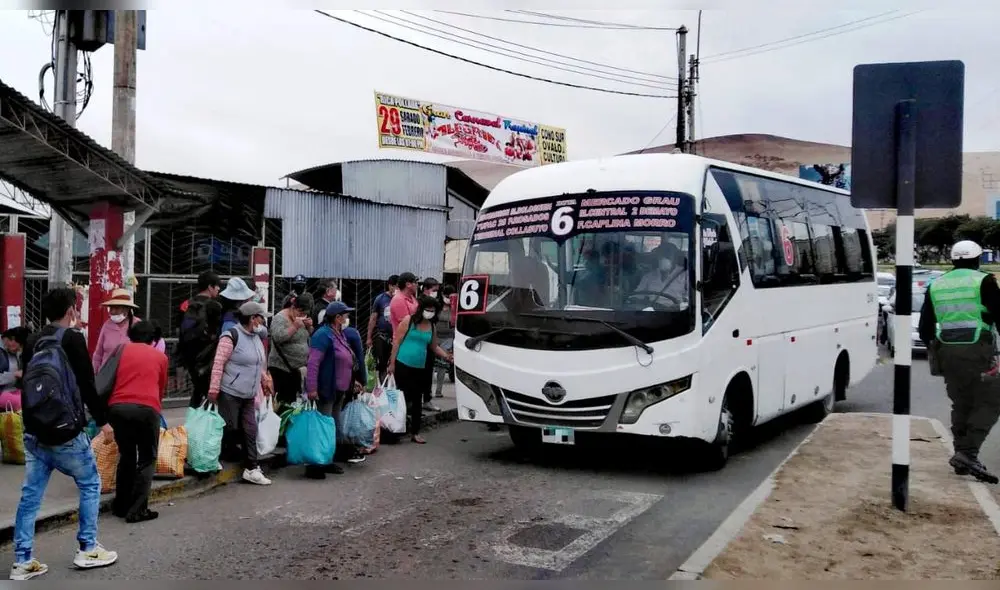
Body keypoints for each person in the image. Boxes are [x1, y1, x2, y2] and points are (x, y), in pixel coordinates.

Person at [10, 287, 118, 580]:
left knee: (30, 496)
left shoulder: (33, 340)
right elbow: (87, 384)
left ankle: (22, 560)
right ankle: (88, 548)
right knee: (90, 483)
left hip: (33, 431)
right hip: (66, 433)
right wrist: (104, 421)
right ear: (72, 310)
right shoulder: (73, 339)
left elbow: (27, 386)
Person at [919, 240, 1000, 484]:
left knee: (961, 403)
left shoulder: (936, 284)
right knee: (991, 400)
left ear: (953, 260)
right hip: (977, 349)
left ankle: (962, 458)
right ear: (977, 259)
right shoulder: (984, 281)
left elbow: (925, 329)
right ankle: (968, 453)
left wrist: (939, 349)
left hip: (948, 352)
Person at [104, 321, 168, 524]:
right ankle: (138, 510)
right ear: (153, 339)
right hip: (147, 409)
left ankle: (121, 506)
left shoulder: (120, 350)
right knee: (147, 458)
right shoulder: (160, 357)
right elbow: (161, 388)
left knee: (127, 455)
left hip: (118, 408)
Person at [207, 301, 274, 486]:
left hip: (249, 394)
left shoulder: (256, 337)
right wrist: (213, 389)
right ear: (253, 319)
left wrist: (264, 381)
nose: (263, 322)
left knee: (250, 430)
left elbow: (257, 363)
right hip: (230, 392)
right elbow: (218, 364)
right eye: (261, 318)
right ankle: (211, 458)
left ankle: (252, 468)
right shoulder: (231, 336)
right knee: (228, 427)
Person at [305, 301, 367, 478]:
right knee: (324, 426)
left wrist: (353, 381)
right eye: (344, 314)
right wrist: (312, 388)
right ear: (337, 317)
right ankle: (318, 464)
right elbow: (313, 363)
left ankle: (328, 459)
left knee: (333, 426)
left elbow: (347, 359)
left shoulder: (339, 334)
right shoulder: (322, 335)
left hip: (340, 389)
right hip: (326, 388)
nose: (347, 317)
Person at [388, 295, 453, 445]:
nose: (429, 312)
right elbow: (397, 342)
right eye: (427, 309)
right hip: (403, 364)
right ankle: (396, 430)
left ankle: (415, 433)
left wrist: (447, 357)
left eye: (432, 310)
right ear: (421, 309)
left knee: (417, 400)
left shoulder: (432, 326)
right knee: (402, 399)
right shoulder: (408, 321)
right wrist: (392, 364)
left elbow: (434, 346)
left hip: (420, 367)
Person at [177, 271, 224, 409]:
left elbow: (178, 330)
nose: (218, 289)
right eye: (217, 286)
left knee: (198, 390)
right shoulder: (215, 306)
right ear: (210, 287)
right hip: (208, 357)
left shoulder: (185, 304)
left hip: (190, 357)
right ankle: (204, 422)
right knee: (209, 392)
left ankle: (194, 418)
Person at [91, 288, 164, 373]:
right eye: (111, 308)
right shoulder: (107, 325)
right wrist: (95, 372)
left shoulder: (138, 325)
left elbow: (147, 351)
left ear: (126, 309)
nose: (112, 311)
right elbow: (98, 354)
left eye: (116, 308)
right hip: (106, 376)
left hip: (130, 374)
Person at [268, 293, 314, 409]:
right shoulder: (280, 318)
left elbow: (306, 337)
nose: (302, 315)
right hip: (282, 368)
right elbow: (278, 337)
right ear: (293, 307)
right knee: (284, 404)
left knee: (294, 404)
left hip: (295, 370)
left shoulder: (300, 319)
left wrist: (309, 327)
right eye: (300, 312)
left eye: (305, 314)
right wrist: (294, 326)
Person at [633, 241, 689, 308]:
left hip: (677, 313)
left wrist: (680, 305)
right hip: (654, 312)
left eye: (667, 256)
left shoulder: (685, 275)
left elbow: (691, 299)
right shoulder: (648, 276)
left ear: (675, 258)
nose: (663, 259)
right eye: (661, 256)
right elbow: (637, 295)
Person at [366, 275, 398, 384]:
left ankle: (395, 387)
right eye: (394, 286)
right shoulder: (380, 299)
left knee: (396, 364)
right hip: (382, 337)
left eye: (398, 287)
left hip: (398, 338)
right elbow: (373, 318)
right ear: (390, 285)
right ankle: (384, 387)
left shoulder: (402, 300)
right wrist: (369, 337)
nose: (396, 289)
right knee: (382, 364)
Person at [418, 278, 443, 413]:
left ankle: (427, 400)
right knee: (418, 374)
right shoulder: (419, 302)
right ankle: (416, 402)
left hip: (429, 340)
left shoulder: (435, 303)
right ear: (426, 289)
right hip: (419, 342)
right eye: (434, 290)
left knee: (428, 373)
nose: (436, 293)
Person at [433, 285, 456, 399]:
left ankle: (438, 390)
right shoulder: (437, 306)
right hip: (435, 336)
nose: (448, 298)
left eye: (450, 296)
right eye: (446, 296)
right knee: (432, 363)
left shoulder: (455, 308)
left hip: (448, 337)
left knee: (443, 363)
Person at [0, 326, 29, 411]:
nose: (18, 350)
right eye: (19, 347)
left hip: (12, 391)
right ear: (12, 339)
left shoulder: (11, 351)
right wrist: (14, 375)